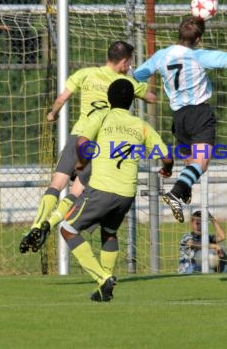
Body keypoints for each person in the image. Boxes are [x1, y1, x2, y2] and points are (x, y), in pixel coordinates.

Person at [133, 16, 227, 223]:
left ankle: (183, 189)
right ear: (198, 39)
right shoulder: (198, 56)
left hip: (178, 117)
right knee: (201, 162)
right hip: (199, 114)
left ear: (178, 33)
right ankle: (176, 192)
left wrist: (141, 93)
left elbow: (137, 75)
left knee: (193, 164)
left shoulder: (161, 56)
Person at [19, 40, 157, 254]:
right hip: (100, 142)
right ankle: (52, 224)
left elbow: (62, 98)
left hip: (79, 135)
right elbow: (151, 98)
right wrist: (141, 79)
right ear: (123, 61)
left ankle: (37, 225)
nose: (129, 66)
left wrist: (52, 114)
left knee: (56, 184)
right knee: (76, 190)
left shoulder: (86, 74)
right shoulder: (126, 82)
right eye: (129, 63)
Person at [59, 78, 173, 301]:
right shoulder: (140, 125)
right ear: (132, 100)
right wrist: (166, 169)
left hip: (101, 188)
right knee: (109, 233)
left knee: (67, 228)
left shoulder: (101, 117)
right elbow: (167, 156)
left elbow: (82, 143)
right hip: (126, 193)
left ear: (108, 99)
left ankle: (102, 277)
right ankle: (105, 287)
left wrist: (81, 163)